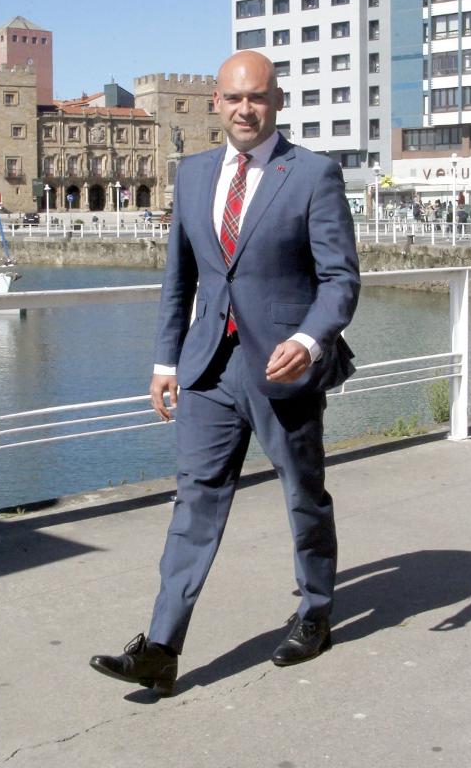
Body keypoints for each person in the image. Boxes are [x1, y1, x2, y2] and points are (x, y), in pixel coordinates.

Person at [89, 50, 360, 696]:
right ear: (217, 102)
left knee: (303, 492)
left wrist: (309, 338)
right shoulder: (191, 176)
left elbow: (341, 279)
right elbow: (178, 280)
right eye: (234, 98)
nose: (246, 109)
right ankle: (161, 644)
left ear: (277, 102)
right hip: (208, 365)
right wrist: (163, 361)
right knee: (194, 503)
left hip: (279, 365)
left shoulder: (314, 175)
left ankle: (316, 610)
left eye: (258, 98)